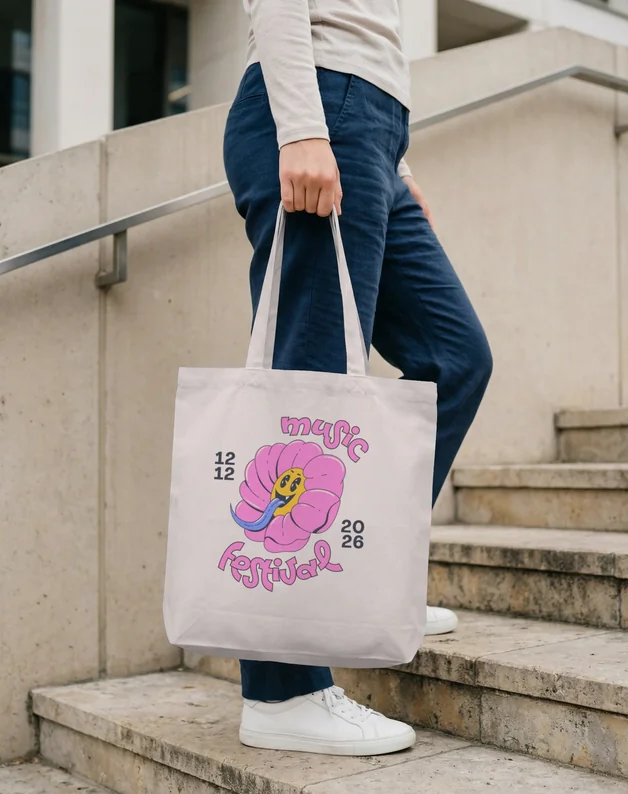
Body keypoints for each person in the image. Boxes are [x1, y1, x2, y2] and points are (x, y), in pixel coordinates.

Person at [223, 0, 493, 757]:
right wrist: (303, 126)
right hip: (320, 108)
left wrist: (397, 166)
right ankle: (282, 691)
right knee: (308, 391)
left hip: (371, 127)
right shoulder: (309, 112)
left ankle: (368, 574)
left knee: (454, 357)